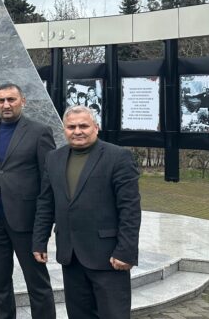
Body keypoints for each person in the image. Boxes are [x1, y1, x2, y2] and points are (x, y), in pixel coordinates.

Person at [33, 105, 141, 319]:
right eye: (71, 127)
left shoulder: (118, 157)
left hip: (108, 257)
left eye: (83, 126)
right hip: (71, 256)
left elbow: (129, 208)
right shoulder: (53, 158)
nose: (77, 131)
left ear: (96, 128)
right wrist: (39, 241)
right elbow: (46, 202)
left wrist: (126, 251)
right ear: (64, 130)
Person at [0, 83, 56, 319]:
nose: (6, 105)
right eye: (1, 100)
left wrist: (45, 222)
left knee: (37, 283)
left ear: (22, 101)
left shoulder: (39, 132)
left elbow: (48, 179)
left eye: (11, 99)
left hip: (26, 220)